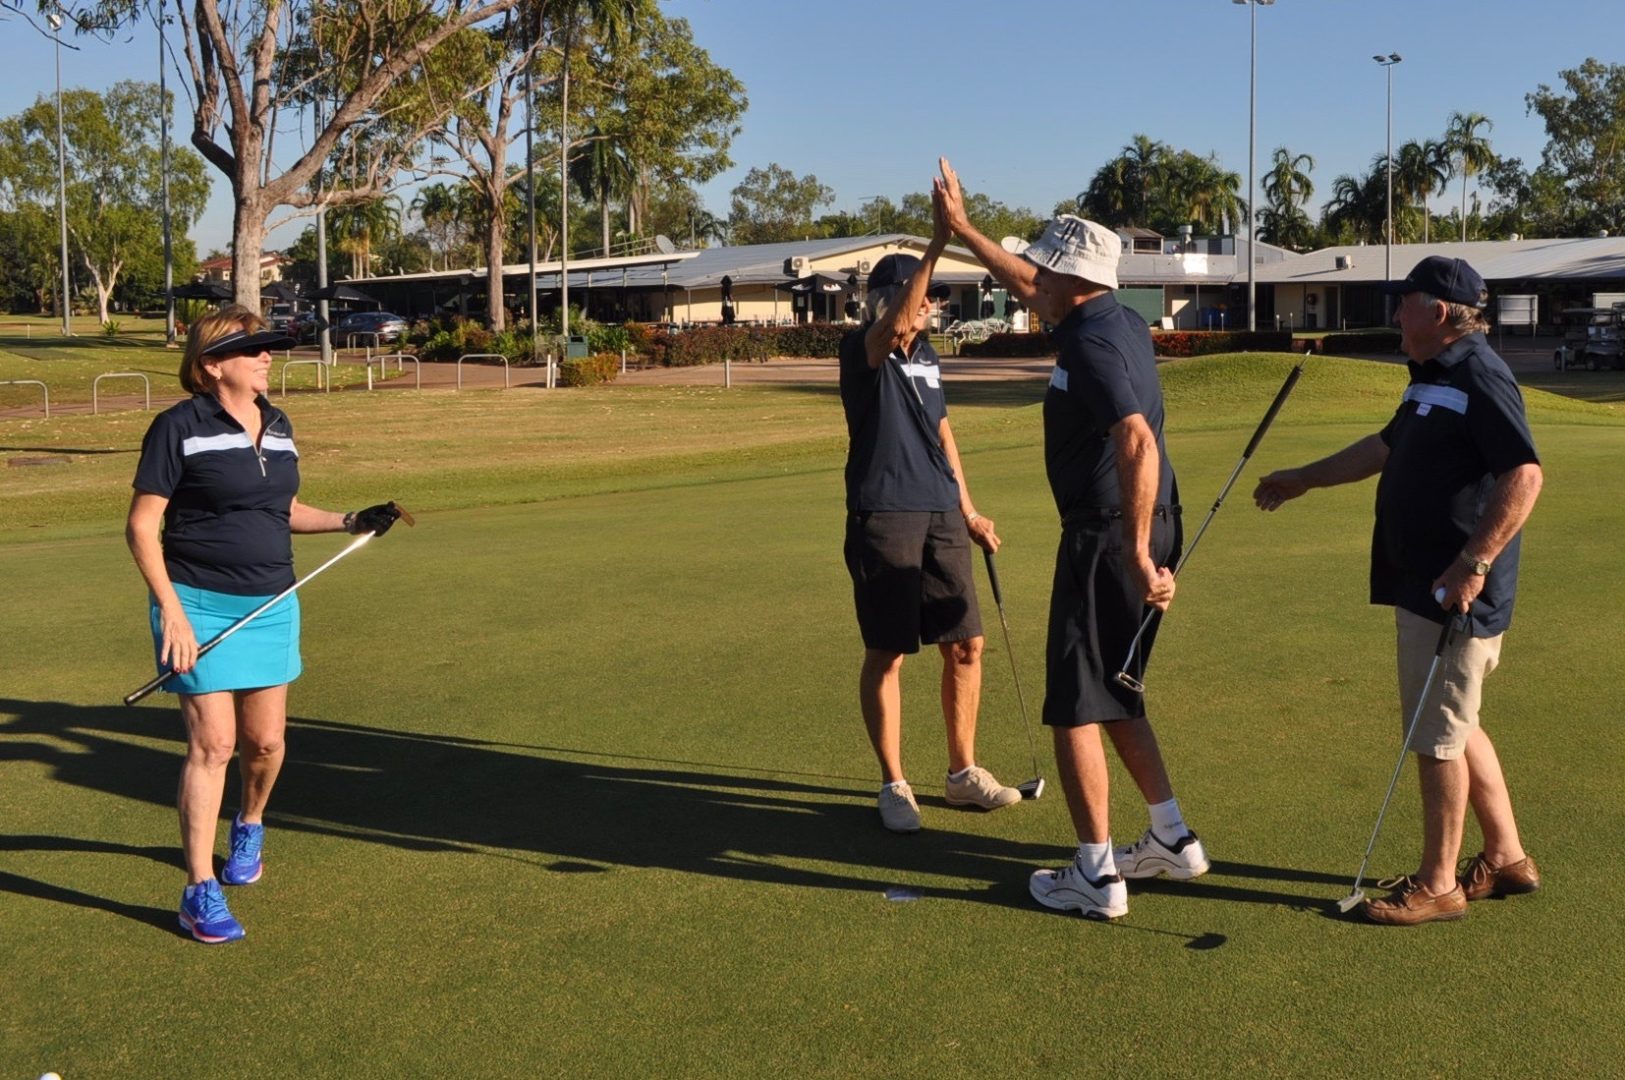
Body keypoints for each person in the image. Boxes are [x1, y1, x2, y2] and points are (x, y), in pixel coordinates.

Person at [934, 158, 1207, 919]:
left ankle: (1095, 874)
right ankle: (1171, 837)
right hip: (1141, 524)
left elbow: (1136, 441)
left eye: (1043, 269)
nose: (1032, 280)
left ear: (1072, 279)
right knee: (1115, 689)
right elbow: (1026, 285)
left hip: (1111, 533)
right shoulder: (1112, 319)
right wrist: (963, 231)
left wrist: (1136, 553)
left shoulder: (1089, 343)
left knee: (1075, 707)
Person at [1253, 256, 1543, 925]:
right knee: (1454, 721)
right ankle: (1505, 856)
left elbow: (1523, 475)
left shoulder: (1477, 373)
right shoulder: (1431, 377)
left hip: (1453, 591)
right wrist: (1303, 478)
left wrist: (1472, 563)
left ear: (1437, 312)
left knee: (1436, 735)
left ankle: (1438, 884)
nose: (1393, 314)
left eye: (1402, 302)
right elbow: (1384, 448)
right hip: (1424, 582)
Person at [127, 304, 405, 944]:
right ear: (211, 364)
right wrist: (171, 612)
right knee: (213, 745)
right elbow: (142, 526)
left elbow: (282, 509)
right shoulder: (178, 427)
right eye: (253, 348)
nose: (267, 356)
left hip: (272, 603)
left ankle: (249, 822)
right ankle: (199, 889)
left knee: (267, 744)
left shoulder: (278, 424)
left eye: (269, 346)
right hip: (196, 604)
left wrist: (348, 520)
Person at [839, 197, 1021, 834]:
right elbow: (892, 329)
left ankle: (961, 773)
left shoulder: (928, 357)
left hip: (941, 510)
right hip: (883, 513)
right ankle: (894, 783)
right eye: (921, 296)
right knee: (888, 651)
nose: (930, 305)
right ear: (888, 300)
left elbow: (943, 435)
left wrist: (968, 509)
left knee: (966, 644)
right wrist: (939, 241)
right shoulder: (861, 349)